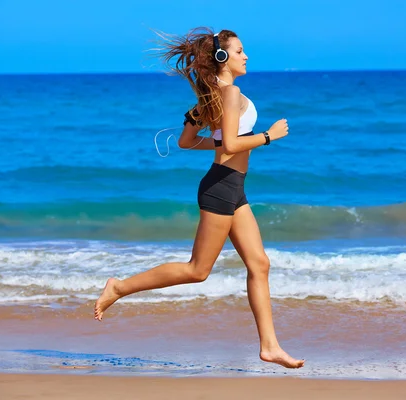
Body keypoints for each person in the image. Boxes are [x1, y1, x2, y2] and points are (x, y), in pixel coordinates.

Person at [94, 27, 304, 369]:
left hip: (233, 187)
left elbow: (186, 141)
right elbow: (233, 145)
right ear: (223, 58)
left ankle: (269, 347)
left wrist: (225, 142)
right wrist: (269, 136)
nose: (246, 56)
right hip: (221, 186)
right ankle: (118, 287)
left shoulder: (213, 97)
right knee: (198, 270)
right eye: (239, 51)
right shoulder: (230, 93)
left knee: (259, 264)